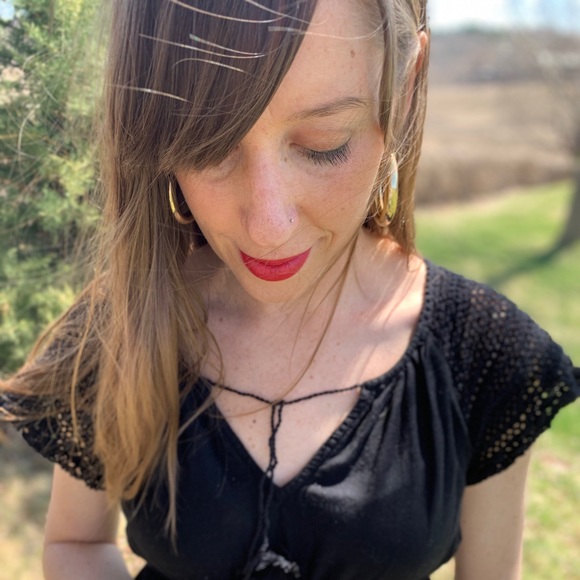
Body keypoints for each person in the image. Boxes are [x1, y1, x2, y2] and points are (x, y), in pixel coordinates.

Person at [0, 0, 578, 578]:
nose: (268, 227)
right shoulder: (119, 325)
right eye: (209, 146)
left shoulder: (489, 358)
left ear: (404, 90)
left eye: (324, 143)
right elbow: (76, 542)